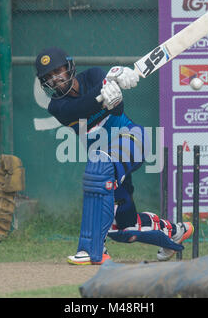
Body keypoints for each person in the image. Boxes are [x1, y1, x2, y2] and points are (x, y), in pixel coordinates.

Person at [34, 47, 194, 265]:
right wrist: (106, 88)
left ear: (69, 67)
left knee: (99, 164)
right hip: (107, 161)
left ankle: (91, 249)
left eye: (58, 71)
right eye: (49, 77)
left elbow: (118, 111)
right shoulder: (57, 106)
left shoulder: (93, 76)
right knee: (124, 227)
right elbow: (80, 108)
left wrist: (114, 90)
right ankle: (174, 231)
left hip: (132, 139)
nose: (56, 79)